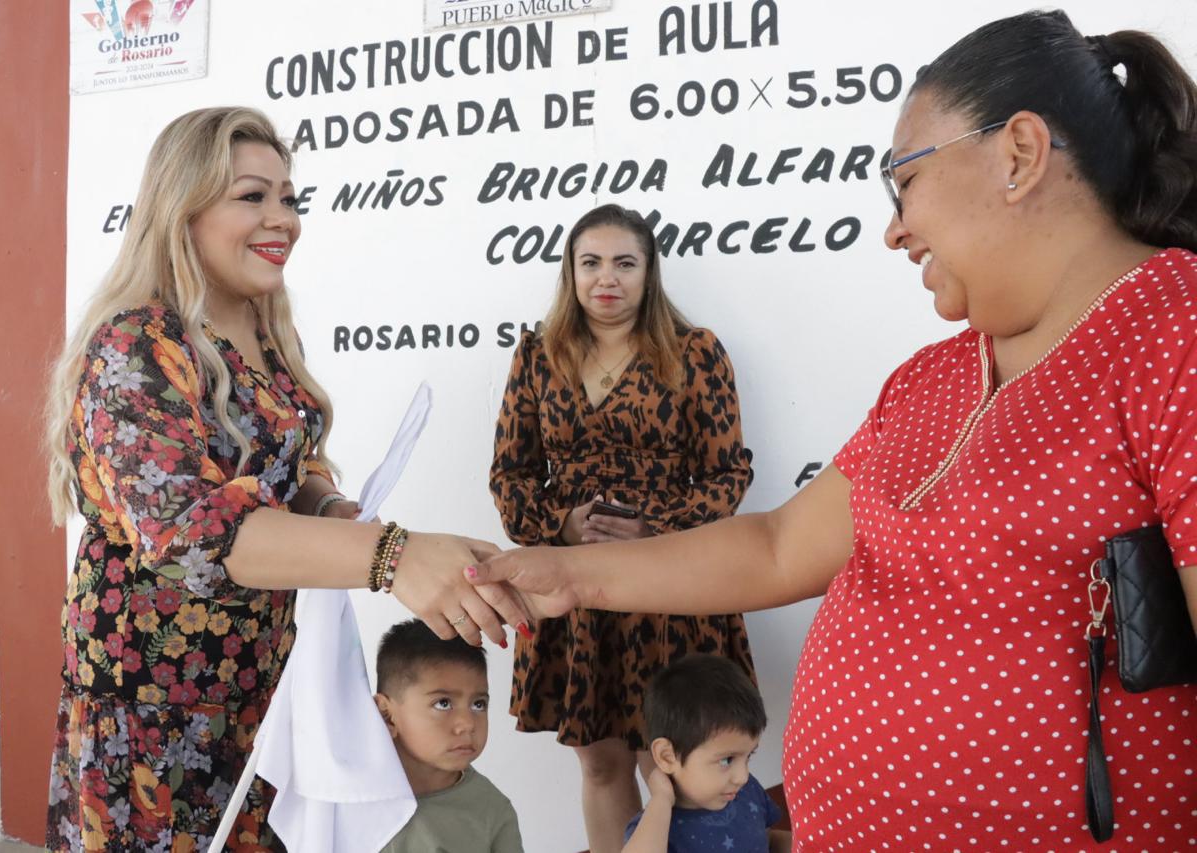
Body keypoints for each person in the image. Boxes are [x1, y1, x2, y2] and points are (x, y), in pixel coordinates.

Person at [470, 10, 1197, 849]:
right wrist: (572, 573)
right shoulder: (933, 377)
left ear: (1020, 154)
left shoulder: (1171, 329)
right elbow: (779, 546)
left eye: (905, 181)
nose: (894, 227)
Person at [42, 107, 526, 852]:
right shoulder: (138, 342)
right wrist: (389, 555)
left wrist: (331, 507)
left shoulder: (267, 329)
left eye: (289, 197)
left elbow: (286, 466)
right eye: (252, 196)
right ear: (183, 208)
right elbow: (191, 531)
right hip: (157, 711)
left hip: (260, 692)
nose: (283, 219)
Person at [489, 203, 757, 851]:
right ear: (570, 272)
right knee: (600, 759)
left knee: (669, 762)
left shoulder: (695, 353)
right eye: (591, 263)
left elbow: (728, 477)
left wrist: (651, 529)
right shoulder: (537, 354)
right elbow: (509, 474)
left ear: (649, 271)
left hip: (667, 587)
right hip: (574, 589)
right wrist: (563, 522)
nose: (606, 278)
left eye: (623, 263)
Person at [374, 619, 524, 852]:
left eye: (478, 704)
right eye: (443, 703)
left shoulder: (492, 810)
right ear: (387, 715)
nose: (467, 724)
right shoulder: (349, 795)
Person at [623, 655, 790, 853]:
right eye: (727, 760)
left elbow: (767, 840)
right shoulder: (656, 827)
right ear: (667, 756)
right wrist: (661, 800)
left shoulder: (746, 791)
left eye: (748, 756)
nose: (742, 777)